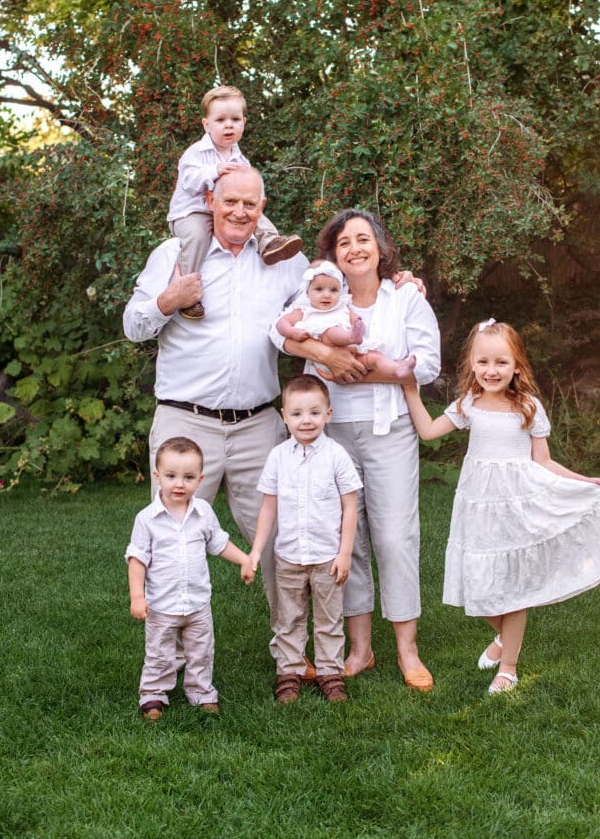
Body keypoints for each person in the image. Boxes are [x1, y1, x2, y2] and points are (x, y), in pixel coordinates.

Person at [124, 165, 312, 670]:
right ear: (211, 200)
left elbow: (329, 293)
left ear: (262, 208)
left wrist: (398, 283)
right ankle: (172, 663)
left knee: (279, 543)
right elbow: (134, 324)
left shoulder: (283, 261)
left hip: (258, 425)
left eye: (250, 204)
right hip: (186, 426)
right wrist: (170, 300)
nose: (239, 212)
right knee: (172, 541)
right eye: (230, 201)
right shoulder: (175, 254)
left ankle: (292, 656)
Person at [402, 318, 600, 694]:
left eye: (501, 362)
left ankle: (509, 667)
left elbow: (544, 461)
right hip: (478, 507)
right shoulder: (469, 404)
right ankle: (503, 637)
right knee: (477, 583)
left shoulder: (528, 407)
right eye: (483, 362)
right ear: (472, 364)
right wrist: (410, 392)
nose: (491, 370)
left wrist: (585, 482)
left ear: (517, 365)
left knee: (513, 589)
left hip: (517, 506)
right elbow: (428, 431)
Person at [271, 209, 441, 691]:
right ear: (333, 255)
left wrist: (365, 370)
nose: (354, 249)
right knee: (348, 539)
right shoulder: (320, 296)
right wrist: (322, 353)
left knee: (394, 537)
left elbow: (426, 365)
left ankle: (407, 650)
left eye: (363, 239)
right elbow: (276, 332)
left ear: (380, 249)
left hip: (389, 431)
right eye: (344, 243)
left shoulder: (405, 296)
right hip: (333, 434)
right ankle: (360, 649)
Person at [246, 374, 362, 704]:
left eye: (314, 412)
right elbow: (269, 507)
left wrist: (344, 553)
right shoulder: (278, 457)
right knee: (289, 618)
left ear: (329, 414)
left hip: (327, 557)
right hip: (289, 557)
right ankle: (291, 671)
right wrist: (256, 551)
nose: (305, 420)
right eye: (297, 414)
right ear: (284, 416)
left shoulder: (337, 455)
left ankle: (329, 672)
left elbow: (350, 507)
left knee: (328, 619)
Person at [126, 436, 255, 720]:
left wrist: (244, 559)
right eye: (171, 476)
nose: (179, 484)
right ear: (157, 476)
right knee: (160, 653)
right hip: (161, 605)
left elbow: (219, 542)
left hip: (197, 603)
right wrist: (138, 596)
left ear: (199, 479)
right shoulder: (147, 519)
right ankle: (153, 694)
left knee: (201, 652)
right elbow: (137, 559)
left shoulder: (203, 513)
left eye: (188, 477)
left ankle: (200, 691)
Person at [167, 84, 302, 318]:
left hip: (226, 211)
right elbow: (189, 181)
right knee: (197, 236)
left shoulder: (240, 159)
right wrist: (215, 170)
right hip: (192, 212)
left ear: (243, 123)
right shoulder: (196, 153)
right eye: (220, 120)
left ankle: (270, 243)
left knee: (254, 213)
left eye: (235, 119)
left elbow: (248, 193)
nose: (228, 125)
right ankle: (188, 292)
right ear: (206, 124)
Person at [275, 259, 417, 379]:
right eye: (319, 289)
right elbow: (281, 323)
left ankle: (397, 370)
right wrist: (291, 332)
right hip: (325, 351)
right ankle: (351, 337)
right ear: (307, 292)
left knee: (375, 357)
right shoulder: (304, 309)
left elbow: (353, 317)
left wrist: (357, 322)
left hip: (350, 354)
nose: (327, 295)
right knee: (330, 332)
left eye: (333, 290)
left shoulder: (341, 306)